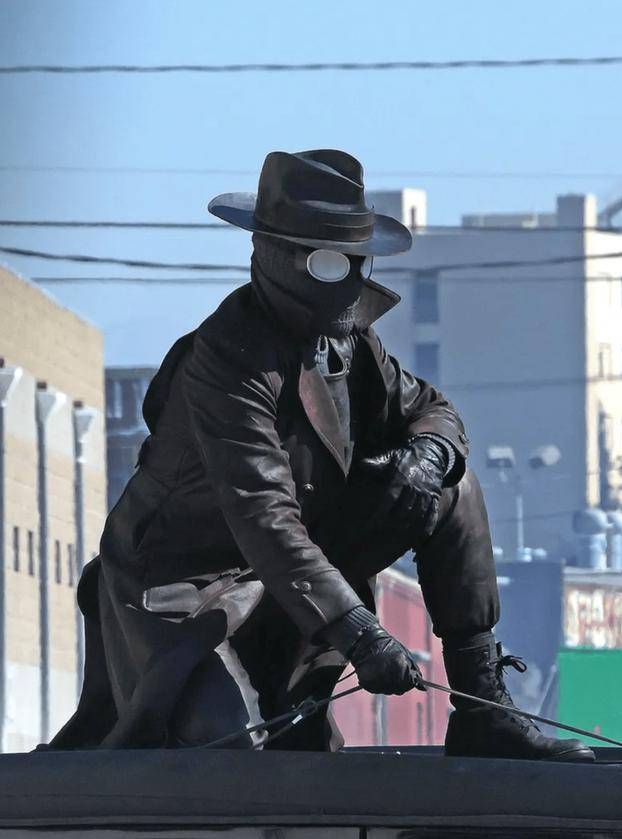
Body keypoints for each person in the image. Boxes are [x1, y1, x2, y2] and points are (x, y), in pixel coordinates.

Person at [48, 149, 594, 761]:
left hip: (296, 566)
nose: (353, 282)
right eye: (332, 263)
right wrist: (360, 633)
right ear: (275, 255)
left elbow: (432, 407)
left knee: (450, 484)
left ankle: (483, 708)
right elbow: (264, 518)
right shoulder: (227, 361)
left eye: (359, 261)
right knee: (222, 744)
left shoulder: (350, 342)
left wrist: (429, 455)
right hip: (189, 584)